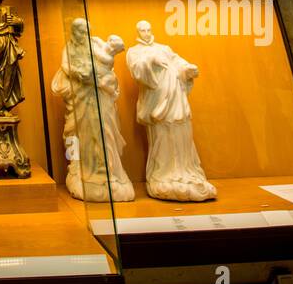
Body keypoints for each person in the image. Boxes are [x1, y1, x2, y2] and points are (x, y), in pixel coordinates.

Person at [126, 19, 216, 201]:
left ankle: (187, 172)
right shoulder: (134, 52)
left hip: (177, 101)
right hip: (157, 105)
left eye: (149, 28)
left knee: (182, 135)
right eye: (143, 30)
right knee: (162, 139)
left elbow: (178, 62)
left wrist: (187, 69)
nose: (146, 32)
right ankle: (164, 175)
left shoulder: (164, 48)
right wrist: (151, 59)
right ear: (138, 32)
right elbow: (137, 72)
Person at [52, 18, 134, 202]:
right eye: (81, 31)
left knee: (106, 132)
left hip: (100, 96)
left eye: (86, 31)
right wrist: (80, 73)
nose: (84, 35)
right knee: (75, 134)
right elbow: (66, 66)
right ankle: (78, 169)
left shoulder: (96, 43)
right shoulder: (69, 48)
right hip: (81, 97)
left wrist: (98, 76)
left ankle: (109, 172)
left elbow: (108, 60)